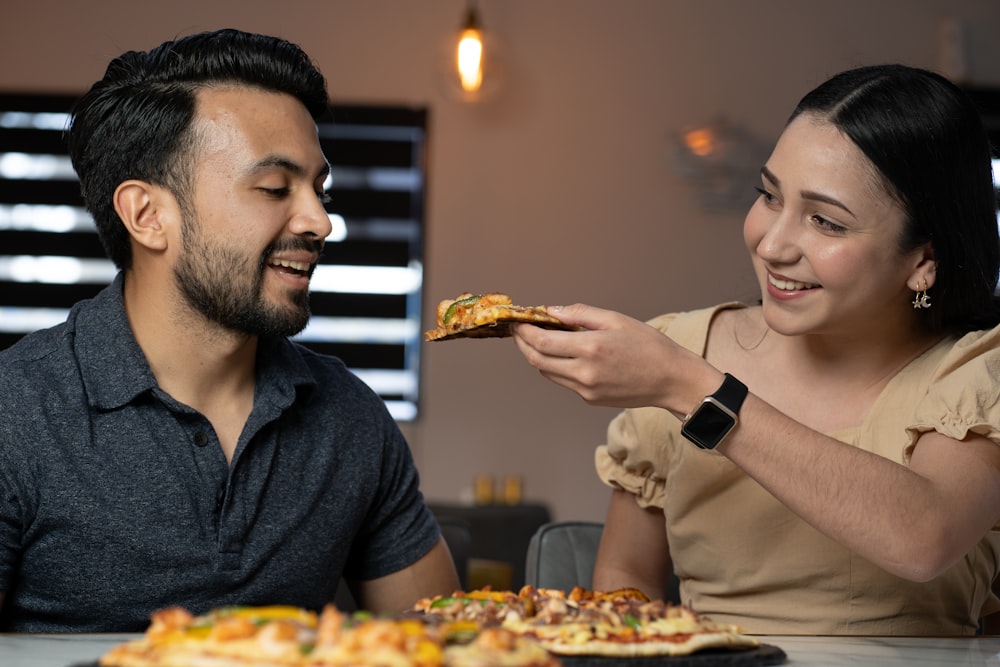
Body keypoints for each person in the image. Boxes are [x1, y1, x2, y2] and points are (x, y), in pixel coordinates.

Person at [512, 64, 1000, 635]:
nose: (770, 245)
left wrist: (693, 390)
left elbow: (923, 537)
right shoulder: (683, 347)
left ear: (923, 261)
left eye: (825, 221)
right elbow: (627, 573)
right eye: (768, 195)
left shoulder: (974, 370)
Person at [0, 28, 459, 632]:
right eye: (274, 188)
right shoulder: (16, 411)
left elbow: (452, 642)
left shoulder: (350, 419)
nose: (320, 221)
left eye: (319, 190)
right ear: (147, 215)